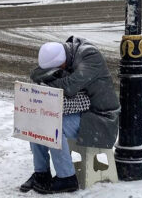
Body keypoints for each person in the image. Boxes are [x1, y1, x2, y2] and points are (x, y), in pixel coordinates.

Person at [20, 36, 120, 194]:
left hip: (101, 118)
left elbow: (69, 87)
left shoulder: (90, 56)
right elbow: (36, 74)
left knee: (53, 125)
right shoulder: (67, 53)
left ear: (62, 62)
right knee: (38, 121)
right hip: (84, 112)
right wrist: (46, 78)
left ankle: (67, 178)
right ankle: (41, 173)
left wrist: (45, 82)